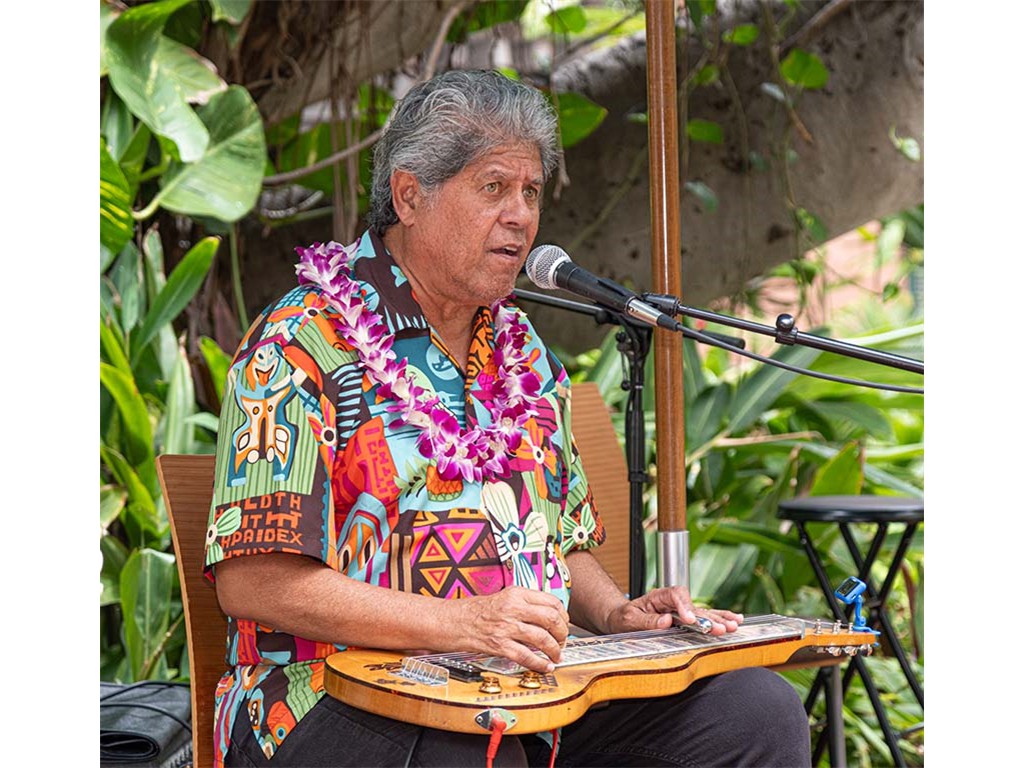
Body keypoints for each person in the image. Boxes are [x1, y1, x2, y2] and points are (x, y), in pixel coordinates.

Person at [205, 69, 811, 768]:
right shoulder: (300, 344)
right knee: (467, 752)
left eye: (531, 192)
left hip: (530, 696)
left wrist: (615, 613)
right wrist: (458, 623)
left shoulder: (525, 356)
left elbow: (560, 543)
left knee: (755, 715)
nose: (521, 216)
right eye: (493, 187)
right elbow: (252, 580)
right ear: (409, 196)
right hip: (328, 698)